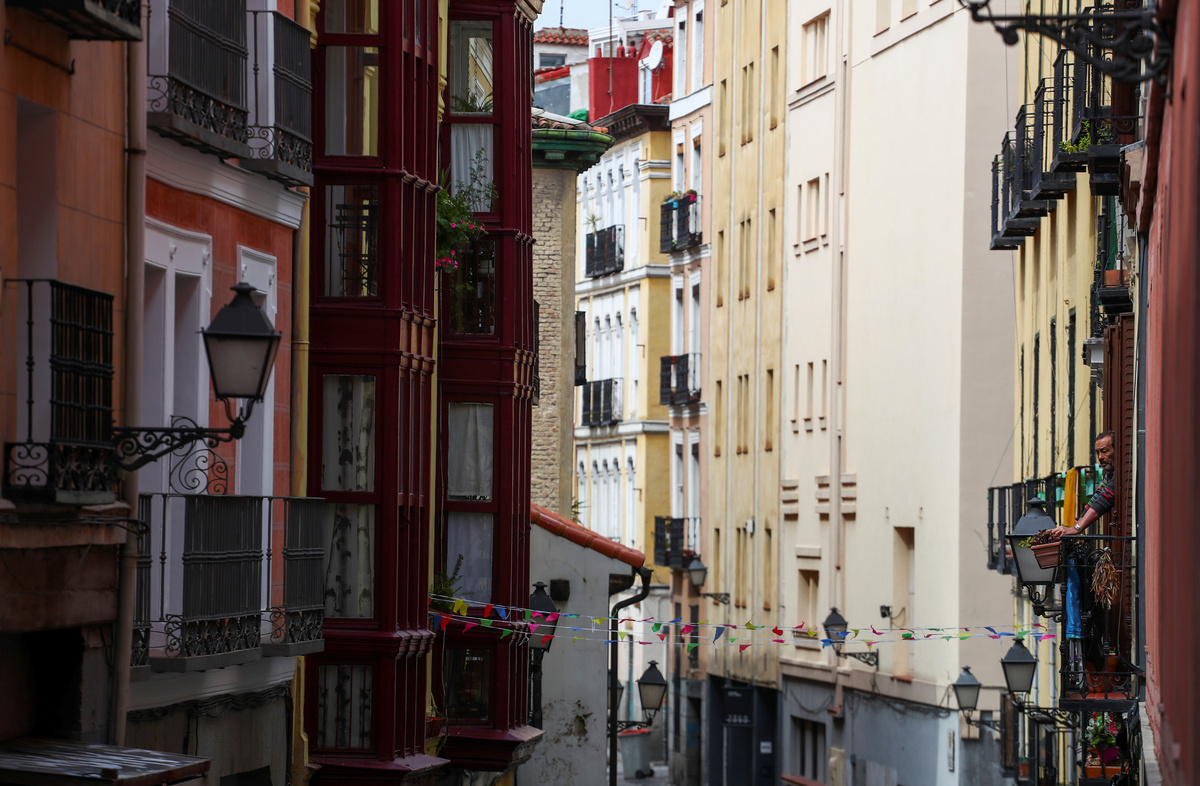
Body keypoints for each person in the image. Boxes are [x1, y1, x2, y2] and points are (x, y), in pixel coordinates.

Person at [1051, 431, 1116, 538]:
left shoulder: (1120, 474)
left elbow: (1105, 498)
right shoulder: (1110, 475)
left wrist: (1075, 529)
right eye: (1097, 453)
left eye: (1104, 451)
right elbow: (1097, 497)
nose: (1100, 457)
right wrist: (1076, 526)